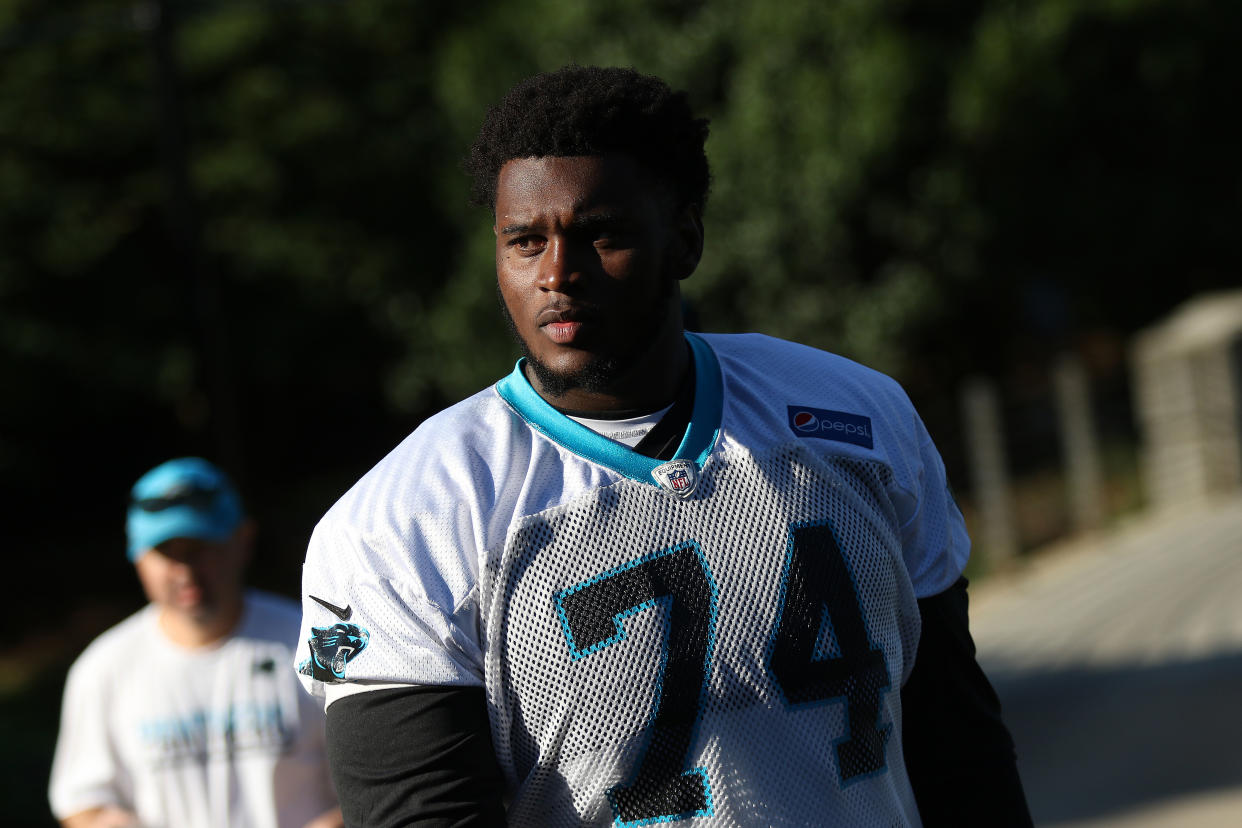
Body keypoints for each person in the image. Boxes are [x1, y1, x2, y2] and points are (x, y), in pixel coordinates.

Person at [298, 65, 1032, 827]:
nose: (558, 275)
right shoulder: (404, 520)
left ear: (684, 238)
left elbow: (960, 748)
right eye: (525, 241)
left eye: (601, 235)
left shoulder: (855, 415)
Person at [49, 457, 343, 828]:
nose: (185, 571)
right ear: (137, 556)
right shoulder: (103, 669)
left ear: (243, 540)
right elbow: (82, 803)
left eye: (201, 548)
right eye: (166, 552)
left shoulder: (313, 644)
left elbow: (370, 781)